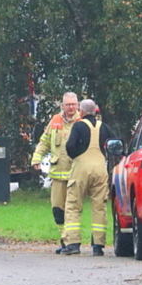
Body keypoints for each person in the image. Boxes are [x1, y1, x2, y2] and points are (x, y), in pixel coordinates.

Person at [61, 99, 116, 256]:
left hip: (81, 168)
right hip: (100, 168)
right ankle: (98, 246)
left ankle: (73, 244)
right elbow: (115, 144)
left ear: (82, 111)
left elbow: (70, 146)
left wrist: (76, 156)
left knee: (73, 205)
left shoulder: (78, 126)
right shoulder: (104, 127)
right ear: (96, 110)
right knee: (99, 207)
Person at [31, 92, 80, 253]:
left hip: (76, 173)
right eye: (68, 104)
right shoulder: (55, 121)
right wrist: (36, 158)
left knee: (72, 210)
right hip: (58, 174)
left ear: (78, 105)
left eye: (74, 104)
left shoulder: (82, 122)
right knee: (58, 209)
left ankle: (73, 243)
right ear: (62, 106)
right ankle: (65, 241)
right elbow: (44, 142)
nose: (71, 107)